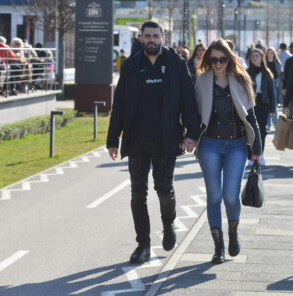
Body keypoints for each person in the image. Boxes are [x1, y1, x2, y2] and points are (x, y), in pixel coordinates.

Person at [106, 20, 201, 264]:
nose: (151, 40)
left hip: (166, 139)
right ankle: (143, 245)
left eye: (155, 36)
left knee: (163, 189)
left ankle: (168, 226)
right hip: (137, 139)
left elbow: (188, 101)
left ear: (163, 38)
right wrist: (112, 139)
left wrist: (192, 133)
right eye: (147, 36)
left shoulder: (176, 64)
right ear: (141, 38)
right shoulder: (131, 66)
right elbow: (120, 105)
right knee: (138, 193)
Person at [194, 39, 262, 264]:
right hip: (209, 145)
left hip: (236, 145)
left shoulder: (241, 80)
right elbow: (193, 114)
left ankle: (233, 231)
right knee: (213, 196)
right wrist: (189, 136)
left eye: (222, 59)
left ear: (229, 58)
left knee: (230, 195)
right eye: (213, 59)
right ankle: (218, 246)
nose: (218, 63)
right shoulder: (202, 81)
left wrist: (257, 148)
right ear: (208, 60)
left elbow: (251, 116)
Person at [247, 48, 275, 166]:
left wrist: (272, 109)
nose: (255, 58)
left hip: (263, 103)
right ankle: (250, 156)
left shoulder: (266, 73)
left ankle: (260, 154)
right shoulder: (247, 72)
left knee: (262, 130)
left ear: (261, 58)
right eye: (253, 56)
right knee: (250, 130)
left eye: (257, 56)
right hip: (250, 104)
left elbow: (271, 92)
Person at [265, 47, 283, 128]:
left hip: (275, 84)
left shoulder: (277, 63)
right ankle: (268, 124)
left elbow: (280, 74)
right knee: (267, 104)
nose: (270, 54)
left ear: (274, 54)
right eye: (268, 53)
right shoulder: (264, 63)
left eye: (271, 53)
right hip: (266, 84)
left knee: (274, 104)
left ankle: (275, 122)